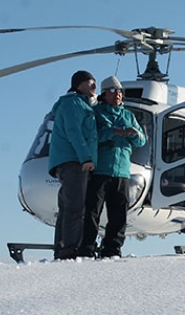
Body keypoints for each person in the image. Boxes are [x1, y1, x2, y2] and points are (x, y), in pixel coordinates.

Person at [79, 76, 146, 258]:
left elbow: (142, 141)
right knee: (92, 211)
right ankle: (87, 248)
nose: (118, 94)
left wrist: (133, 134)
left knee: (119, 214)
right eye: (113, 91)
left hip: (122, 171)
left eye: (120, 91)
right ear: (104, 94)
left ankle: (112, 249)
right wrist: (113, 131)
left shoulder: (128, 115)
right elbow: (91, 136)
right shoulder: (96, 113)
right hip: (100, 169)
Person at [47, 70, 99, 260]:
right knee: (75, 209)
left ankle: (62, 248)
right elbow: (74, 132)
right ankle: (70, 249)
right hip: (74, 161)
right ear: (79, 85)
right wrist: (86, 158)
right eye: (90, 83)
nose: (94, 86)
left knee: (67, 208)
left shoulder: (78, 103)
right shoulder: (73, 103)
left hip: (69, 161)